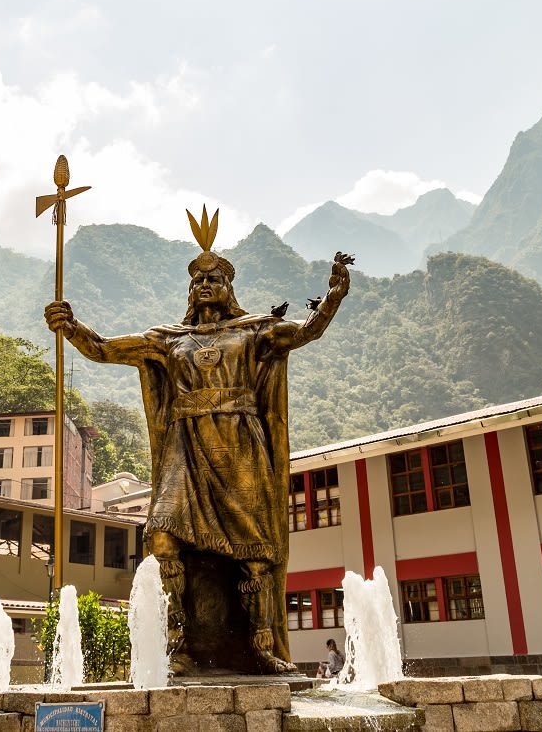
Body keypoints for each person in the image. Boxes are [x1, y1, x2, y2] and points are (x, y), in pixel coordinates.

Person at [45, 206, 352, 675]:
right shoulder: (169, 339)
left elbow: (307, 332)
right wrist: (70, 325)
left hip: (239, 445)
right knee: (162, 537)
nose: (204, 284)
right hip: (185, 448)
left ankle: (261, 647)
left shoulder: (252, 331)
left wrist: (332, 296)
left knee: (253, 551)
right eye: (197, 279)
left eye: (215, 278)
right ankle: (176, 645)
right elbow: (106, 349)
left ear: (230, 288)